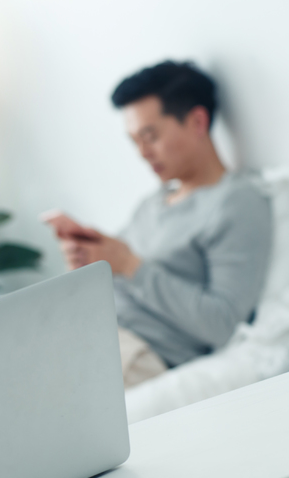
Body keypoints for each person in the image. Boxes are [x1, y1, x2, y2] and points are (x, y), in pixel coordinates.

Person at [46, 60, 272, 388]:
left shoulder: (236, 202)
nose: (142, 152)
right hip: (89, 332)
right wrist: (89, 259)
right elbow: (117, 271)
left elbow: (223, 323)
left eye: (150, 136)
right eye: (134, 140)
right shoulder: (151, 206)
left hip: (136, 352)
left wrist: (128, 264)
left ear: (197, 121)